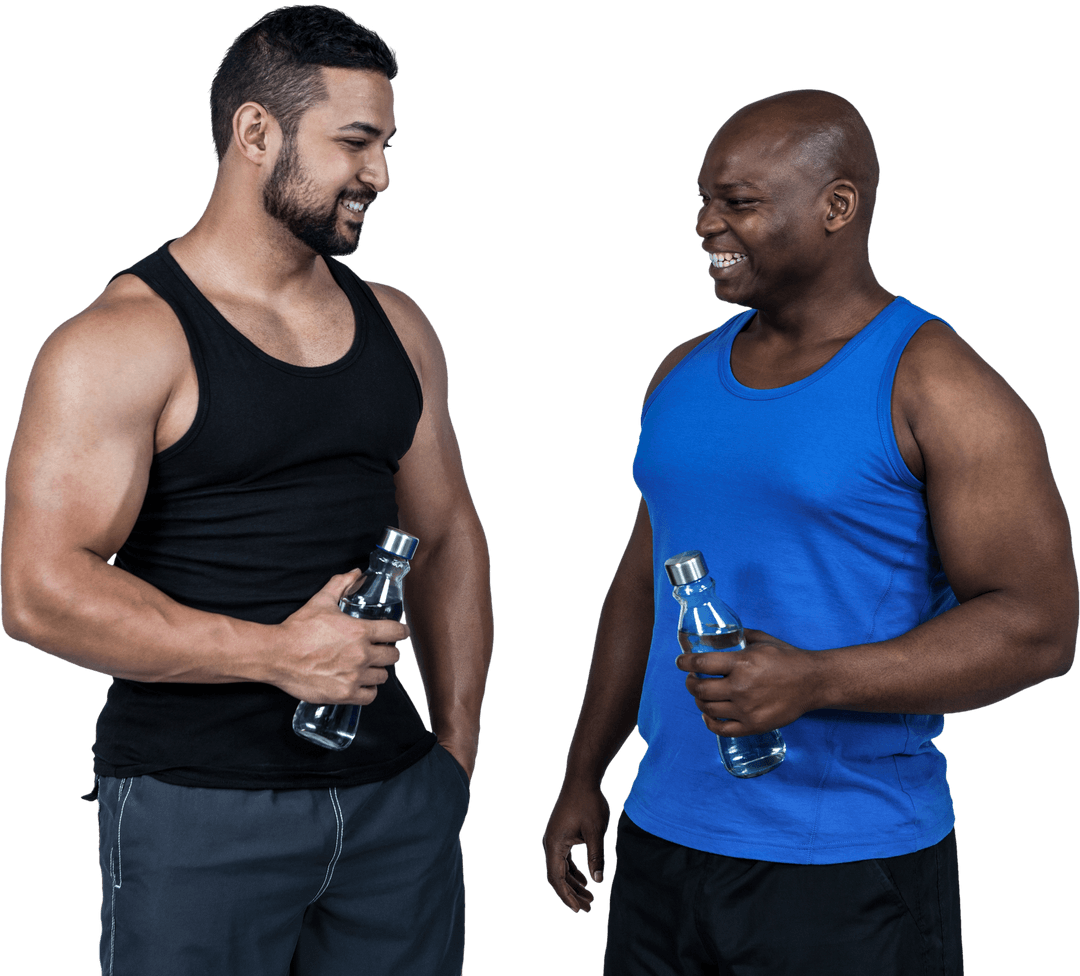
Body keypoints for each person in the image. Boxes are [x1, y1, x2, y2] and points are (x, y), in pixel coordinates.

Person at [1, 6, 491, 975]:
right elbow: (35, 588)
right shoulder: (121, 341)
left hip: (396, 801)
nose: (381, 175)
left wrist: (454, 755)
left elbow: (448, 531)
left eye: (388, 144)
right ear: (254, 132)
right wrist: (278, 655)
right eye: (355, 142)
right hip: (199, 809)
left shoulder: (400, 325)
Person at [542, 89, 1077, 975]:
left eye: (741, 203)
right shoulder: (681, 371)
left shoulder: (939, 386)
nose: (709, 223)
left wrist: (813, 680)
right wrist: (582, 773)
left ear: (838, 207)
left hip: (847, 867)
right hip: (665, 843)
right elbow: (642, 584)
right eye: (705, 199)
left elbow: (1039, 627)